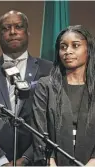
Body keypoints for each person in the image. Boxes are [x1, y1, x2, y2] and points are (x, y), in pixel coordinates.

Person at [0, 10, 53, 165]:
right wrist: (0, 159)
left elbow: (52, 120)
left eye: (18, 27)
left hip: (36, 158)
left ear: (28, 32)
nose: (13, 32)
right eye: (6, 28)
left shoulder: (48, 70)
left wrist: (26, 159)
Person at [32, 25, 95, 166]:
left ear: (88, 49)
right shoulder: (45, 86)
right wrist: (49, 161)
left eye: (75, 45)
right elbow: (39, 131)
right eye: (63, 47)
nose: (68, 51)